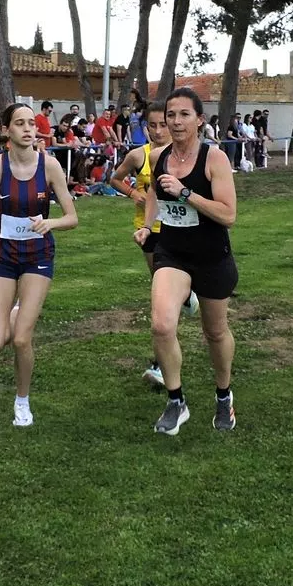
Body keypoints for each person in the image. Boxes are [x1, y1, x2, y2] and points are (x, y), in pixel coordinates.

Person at [0, 103, 78, 427]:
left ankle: (22, 401)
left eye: (31, 123)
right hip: (3, 258)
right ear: (8, 131)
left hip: (38, 257)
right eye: (20, 123)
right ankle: (14, 310)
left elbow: (72, 217)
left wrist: (50, 224)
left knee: (22, 339)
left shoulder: (51, 166)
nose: (28, 128)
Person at [143, 88, 241, 435]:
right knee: (161, 324)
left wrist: (188, 193)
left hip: (212, 254)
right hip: (173, 252)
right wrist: (146, 225)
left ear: (200, 120)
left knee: (215, 332)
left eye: (184, 114)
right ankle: (176, 401)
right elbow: (155, 192)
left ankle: (223, 395)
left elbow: (229, 215)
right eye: (171, 114)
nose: (176, 121)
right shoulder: (158, 157)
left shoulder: (214, 159)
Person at [108, 105, 198, 388]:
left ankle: (160, 364)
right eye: (153, 125)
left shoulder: (186, 155)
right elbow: (114, 178)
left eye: (164, 124)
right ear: (146, 127)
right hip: (147, 230)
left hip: (178, 229)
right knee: (162, 293)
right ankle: (185, 299)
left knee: (163, 301)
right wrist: (134, 192)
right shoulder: (139, 155)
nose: (159, 131)